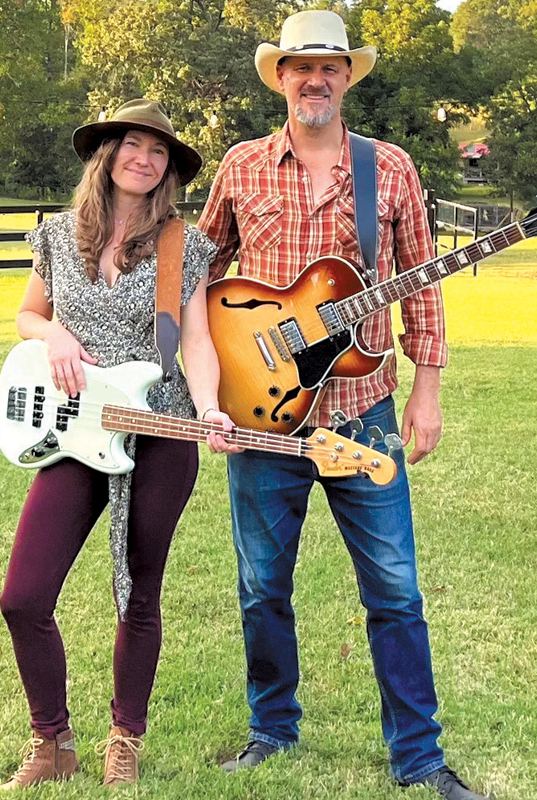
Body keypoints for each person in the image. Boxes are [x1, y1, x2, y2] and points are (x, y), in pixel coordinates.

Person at [198, 11, 488, 800]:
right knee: (263, 585)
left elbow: (422, 283)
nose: (315, 80)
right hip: (262, 416)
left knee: (394, 588)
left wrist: (427, 389)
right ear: (280, 77)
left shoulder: (387, 168)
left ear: (349, 77)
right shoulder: (242, 165)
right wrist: (214, 377)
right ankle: (271, 729)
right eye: (302, 67)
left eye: (329, 66)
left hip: (364, 409)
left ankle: (419, 758)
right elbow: (199, 275)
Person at [0, 99, 238, 792]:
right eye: (133, 144)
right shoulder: (57, 236)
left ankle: (124, 738)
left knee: (139, 594)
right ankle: (52, 741)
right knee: (23, 596)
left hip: (159, 431)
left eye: (159, 152)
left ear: (168, 171)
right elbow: (27, 313)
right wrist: (55, 335)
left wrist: (209, 410)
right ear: (107, 154)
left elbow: (196, 339)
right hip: (73, 430)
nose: (144, 159)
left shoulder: (181, 246)